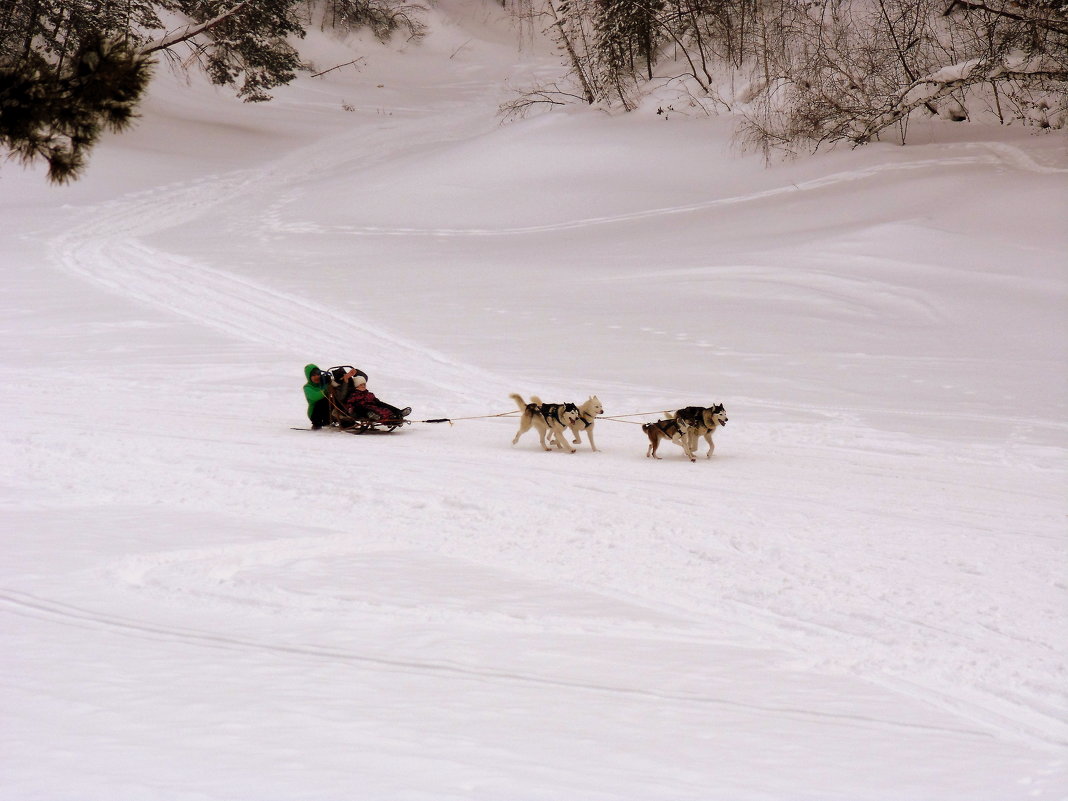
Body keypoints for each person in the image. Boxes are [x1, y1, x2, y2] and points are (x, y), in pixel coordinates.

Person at [344, 373, 412, 423]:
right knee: (359, 407)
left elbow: (374, 400)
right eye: (361, 385)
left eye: (364, 384)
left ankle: (398, 412)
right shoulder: (354, 394)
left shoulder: (369, 394)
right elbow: (349, 403)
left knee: (382, 404)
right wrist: (350, 409)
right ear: (356, 386)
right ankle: (372, 415)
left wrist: (377, 402)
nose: (363, 386)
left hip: (372, 405)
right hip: (362, 408)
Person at [303, 364, 331, 429]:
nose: (317, 377)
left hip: (326, 410)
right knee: (322, 401)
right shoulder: (307, 387)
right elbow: (314, 397)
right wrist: (326, 389)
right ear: (309, 377)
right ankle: (316, 424)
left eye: (318, 375)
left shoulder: (322, 383)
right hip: (314, 413)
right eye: (313, 375)